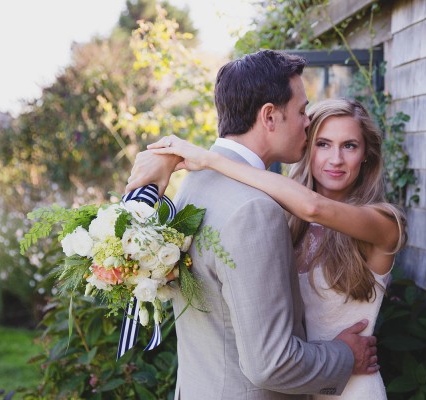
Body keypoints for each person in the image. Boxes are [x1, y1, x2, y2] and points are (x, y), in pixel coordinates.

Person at [126, 51, 380, 399]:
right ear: (270, 116)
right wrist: (345, 355)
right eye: (303, 110)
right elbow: (271, 364)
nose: (308, 122)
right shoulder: (254, 211)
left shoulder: (194, 186)